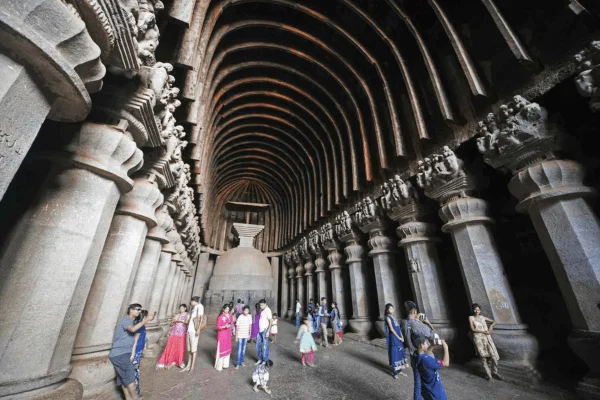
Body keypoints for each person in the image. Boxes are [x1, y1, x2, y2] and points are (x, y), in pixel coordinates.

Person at [109, 303, 154, 400]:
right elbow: (132, 329)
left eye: (140, 310)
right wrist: (145, 320)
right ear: (130, 310)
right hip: (121, 355)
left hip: (120, 354)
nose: (139, 311)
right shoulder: (126, 319)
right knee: (131, 381)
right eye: (137, 309)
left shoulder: (131, 321)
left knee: (123, 381)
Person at [401, 301, 436, 400]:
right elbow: (434, 335)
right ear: (415, 312)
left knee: (417, 382)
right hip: (425, 356)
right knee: (431, 381)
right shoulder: (418, 325)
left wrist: (417, 320)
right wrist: (427, 323)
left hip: (413, 355)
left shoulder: (403, 323)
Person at [469, 303, 502, 381]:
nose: (477, 311)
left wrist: (490, 326)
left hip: (486, 338)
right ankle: (489, 375)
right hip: (478, 338)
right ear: (473, 310)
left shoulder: (482, 317)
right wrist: (484, 331)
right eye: (475, 309)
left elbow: (494, 321)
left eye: (478, 309)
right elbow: (473, 329)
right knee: (483, 357)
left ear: (480, 310)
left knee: (493, 356)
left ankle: (494, 372)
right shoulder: (471, 317)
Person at [415, 336, 450, 400]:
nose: (427, 344)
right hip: (435, 392)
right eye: (426, 343)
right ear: (421, 345)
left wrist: (432, 345)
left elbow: (426, 354)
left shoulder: (418, 356)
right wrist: (446, 347)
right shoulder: (427, 361)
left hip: (427, 390)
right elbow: (446, 363)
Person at [156, 304, 189, 369]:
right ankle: (170, 361)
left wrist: (179, 320)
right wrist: (173, 321)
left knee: (180, 346)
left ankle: (179, 361)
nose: (181, 309)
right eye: (180, 308)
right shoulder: (177, 315)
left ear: (185, 308)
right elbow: (171, 324)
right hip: (174, 331)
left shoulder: (187, 314)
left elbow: (187, 322)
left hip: (182, 332)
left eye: (182, 308)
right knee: (172, 345)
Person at [384, 303, 409, 379]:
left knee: (400, 351)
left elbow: (398, 328)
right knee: (395, 352)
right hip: (394, 337)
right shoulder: (387, 317)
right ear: (387, 310)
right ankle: (395, 372)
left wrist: (402, 336)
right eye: (390, 308)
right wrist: (398, 337)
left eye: (392, 308)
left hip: (399, 337)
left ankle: (400, 370)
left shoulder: (393, 317)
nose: (392, 310)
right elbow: (391, 329)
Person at [181, 296, 204, 374]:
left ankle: (192, 367)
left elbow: (201, 318)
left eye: (191, 301)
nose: (191, 303)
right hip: (189, 330)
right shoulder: (193, 308)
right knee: (189, 349)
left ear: (194, 301)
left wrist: (198, 329)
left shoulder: (200, 307)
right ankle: (188, 365)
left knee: (193, 349)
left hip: (194, 331)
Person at [131, 310, 148, 396]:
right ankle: (135, 393)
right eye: (146, 317)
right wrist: (133, 354)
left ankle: (135, 392)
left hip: (138, 350)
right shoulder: (138, 327)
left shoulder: (142, 326)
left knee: (136, 370)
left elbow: (144, 338)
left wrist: (144, 347)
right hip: (135, 351)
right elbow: (134, 341)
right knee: (134, 371)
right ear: (143, 317)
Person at [215, 303, 234, 371]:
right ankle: (219, 366)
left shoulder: (230, 315)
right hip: (222, 334)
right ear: (223, 309)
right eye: (226, 309)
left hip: (228, 334)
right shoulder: (220, 317)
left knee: (227, 348)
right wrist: (224, 326)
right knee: (221, 348)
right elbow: (217, 327)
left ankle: (225, 365)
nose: (227, 310)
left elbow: (232, 322)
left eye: (228, 309)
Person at [255, 299, 273, 365]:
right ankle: (260, 359)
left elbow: (271, 321)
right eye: (260, 305)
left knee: (265, 346)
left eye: (262, 305)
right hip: (259, 330)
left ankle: (264, 360)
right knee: (258, 345)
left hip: (265, 330)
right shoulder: (261, 310)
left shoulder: (268, 310)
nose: (261, 306)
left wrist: (268, 331)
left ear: (265, 304)